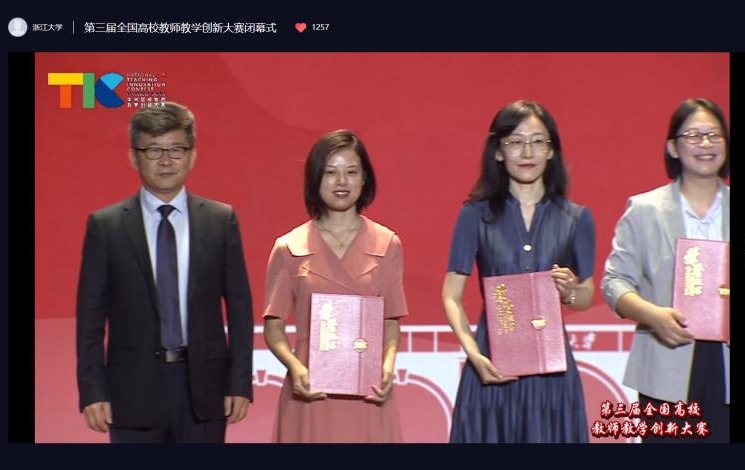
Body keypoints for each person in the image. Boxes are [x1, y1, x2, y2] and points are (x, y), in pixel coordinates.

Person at [76, 102, 254, 443]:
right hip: (131, 391)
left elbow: (240, 309)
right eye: (154, 150)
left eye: (176, 149)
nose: (166, 160)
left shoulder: (220, 221)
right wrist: (92, 388)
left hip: (205, 389)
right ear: (134, 157)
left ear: (192, 155)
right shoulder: (106, 226)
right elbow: (90, 318)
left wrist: (239, 382)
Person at [442, 100, 595, 443]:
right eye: (515, 142)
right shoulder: (475, 216)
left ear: (551, 150)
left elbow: (587, 294)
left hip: (553, 370)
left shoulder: (575, 218)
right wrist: (473, 354)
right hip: (491, 363)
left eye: (537, 141)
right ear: (498, 151)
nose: (527, 152)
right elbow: (451, 295)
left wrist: (570, 291)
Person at [263, 129, 408, 443]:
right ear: (315, 179)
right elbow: (273, 326)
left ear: (365, 179)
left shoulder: (388, 244)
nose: (341, 181)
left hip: (368, 391)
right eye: (330, 172)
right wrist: (295, 367)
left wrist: (387, 366)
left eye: (351, 172)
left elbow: (391, 321)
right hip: (310, 390)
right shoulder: (289, 247)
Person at [601, 98, 730, 443]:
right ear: (673, 147)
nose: (705, 144)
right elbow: (614, 282)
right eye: (693, 135)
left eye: (714, 135)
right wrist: (652, 316)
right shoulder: (645, 210)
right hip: (665, 363)